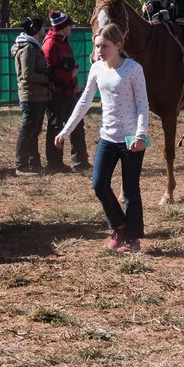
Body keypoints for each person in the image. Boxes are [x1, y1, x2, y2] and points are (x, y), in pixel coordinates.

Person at [57, 24, 149, 252]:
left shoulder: (133, 69)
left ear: (118, 46)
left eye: (105, 46)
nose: (100, 50)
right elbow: (85, 101)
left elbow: (142, 105)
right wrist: (66, 130)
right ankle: (120, 226)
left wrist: (140, 135)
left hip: (131, 140)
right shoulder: (97, 69)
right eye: (97, 45)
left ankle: (132, 239)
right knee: (99, 185)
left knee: (130, 189)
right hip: (107, 137)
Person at [43, 11, 89, 172]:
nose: (71, 27)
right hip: (56, 94)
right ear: (62, 27)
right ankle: (55, 163)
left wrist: (74, 83)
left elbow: (70, 67)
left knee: (77, 123)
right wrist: (70, 76)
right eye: (69, 25)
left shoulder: (64, 42)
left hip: (70, 92)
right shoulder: (50, 44)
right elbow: (50, 72)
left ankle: (80, 161)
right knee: (56, 126)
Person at [12, 16, 49, 176]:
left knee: (34, 130)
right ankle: (21, 165)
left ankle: (34, 163)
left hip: (37, 95)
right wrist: (47, 78)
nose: (44, 30)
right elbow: (27, 74)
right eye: (42, 27)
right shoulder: (28, 48)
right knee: (28, 130)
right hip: (30, 95)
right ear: (35, 29)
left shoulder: (33, 46)